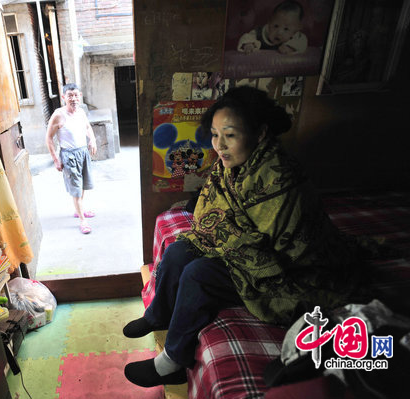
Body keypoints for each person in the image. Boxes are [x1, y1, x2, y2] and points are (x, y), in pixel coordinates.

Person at [122, 86, 369, 388]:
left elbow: (279, 246)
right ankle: (157, 315)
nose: (219, 146)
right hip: (242, 246)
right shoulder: (234, 165)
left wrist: (225, 232)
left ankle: (172, 361)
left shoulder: (281, 177)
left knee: (199, 275)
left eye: (230, 135)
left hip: (290, 268)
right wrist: (222, 228)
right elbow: (214, 205)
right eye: (214, 135)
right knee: (177, 253)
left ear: (260, 133)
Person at [46, 83, 97, 234]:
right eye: (70, 96)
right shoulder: (58, 115)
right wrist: (56, 159)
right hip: (69, 155)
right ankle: (82, 220)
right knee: (76, 189)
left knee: (82, 184)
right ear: (64, 97)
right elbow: (48, 138)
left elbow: (88, 127)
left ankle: (79, 209)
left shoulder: (81, 112)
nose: (73, 98)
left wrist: (92, 140)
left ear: (79, 96)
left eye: (76, 95)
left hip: (83, 153)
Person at [237, 0, 308, 55]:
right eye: (276, 26)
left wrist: (290, 48)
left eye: (286, 29)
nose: (279, 32)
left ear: (296, 30)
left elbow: (303, 41)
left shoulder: (295, 37)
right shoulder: (260, 33)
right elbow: (247, 37)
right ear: (270, 22)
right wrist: (249, 44)